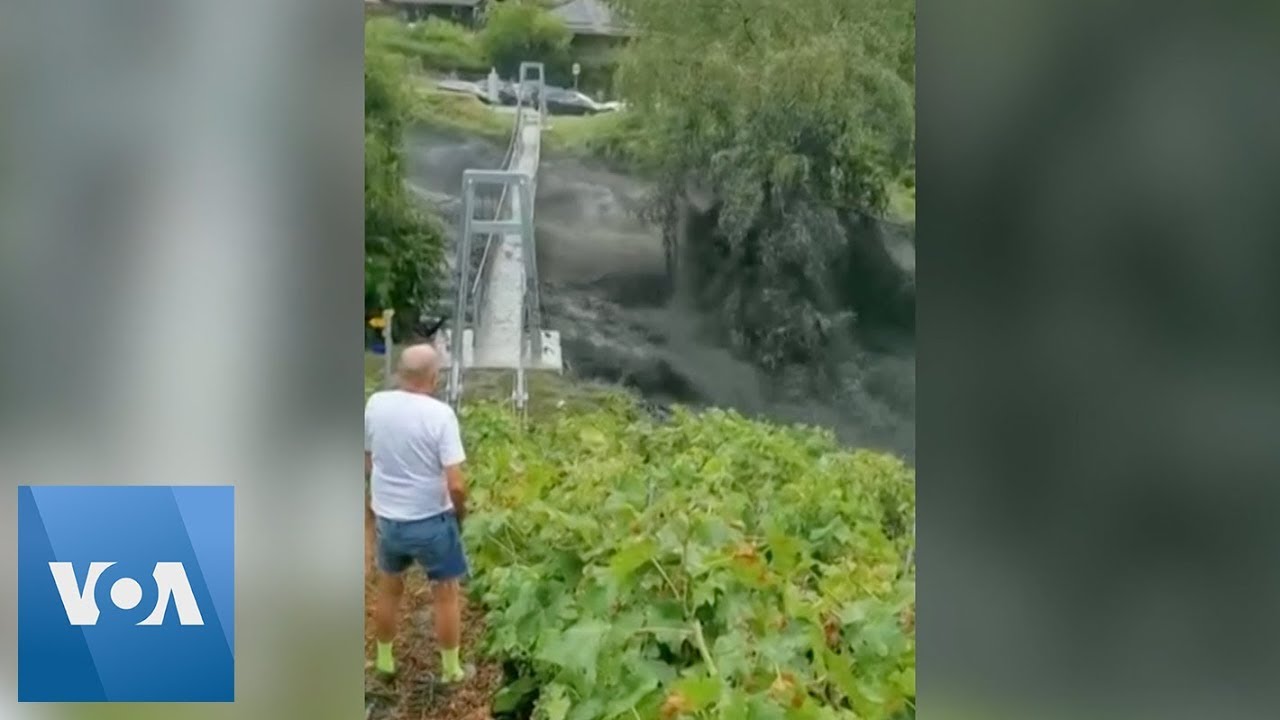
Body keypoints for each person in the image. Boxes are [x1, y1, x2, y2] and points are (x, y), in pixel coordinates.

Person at [364, 343, 472, 684]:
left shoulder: (376, 404)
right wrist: (460, 515)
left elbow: (368, 460)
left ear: (400, 373)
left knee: (389, 589)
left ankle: (383, 662)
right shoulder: (441, 416)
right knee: (446, 594)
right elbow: (455, 483)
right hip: (431, 521)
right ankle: (451, 670)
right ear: (434, 378)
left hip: (390, 521)